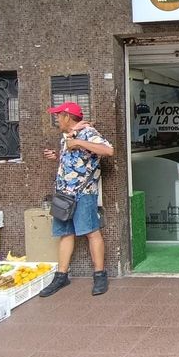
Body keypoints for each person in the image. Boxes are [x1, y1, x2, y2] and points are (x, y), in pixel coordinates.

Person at [39, 101, 114, 297]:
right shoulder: (66, 137)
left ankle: (100, 275)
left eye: (58, 116)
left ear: (67, 116)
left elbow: (108, 150)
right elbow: (76, 160)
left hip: (84, 193)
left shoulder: (88, 132)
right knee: (65, 233)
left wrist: (79, 142)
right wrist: (57, 156)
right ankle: (61, 276)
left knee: (91, 232)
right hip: (64, 194)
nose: (56, 119)